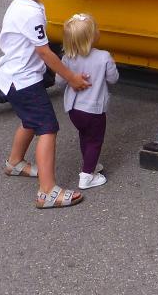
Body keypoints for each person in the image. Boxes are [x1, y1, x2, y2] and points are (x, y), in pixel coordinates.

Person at [0, 0, 90, 209]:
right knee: (47, 128)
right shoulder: (30, 13)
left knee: (30, 120)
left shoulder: (23, 4)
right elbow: (45, 52)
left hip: (13, 78)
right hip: (24, 81)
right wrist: (71, 78)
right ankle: (47, 191)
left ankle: (15, 162)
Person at [57, 13, 118, 190]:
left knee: (84, 135)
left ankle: (89, 164)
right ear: (91, 37)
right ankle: (86, 176)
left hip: (74, 109)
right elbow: (113, 78)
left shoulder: (67, 58)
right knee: (95, 140)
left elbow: (59, 81)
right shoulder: (104, 56)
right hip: (94, 109)